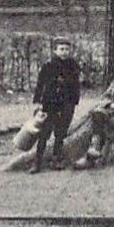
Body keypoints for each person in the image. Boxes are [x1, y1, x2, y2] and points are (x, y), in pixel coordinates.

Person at [30, 37, 81, 173]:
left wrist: (74, 102)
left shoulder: (73, 65)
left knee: (61, 133)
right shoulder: (48, 66)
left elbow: (76, 85)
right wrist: (38, 102)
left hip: (66, 103)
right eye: (61, 49)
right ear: (55, 50)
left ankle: (56, 159)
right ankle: (37, 161)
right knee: (44, 133)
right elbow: (40, 85)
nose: (64, 52)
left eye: (66, 49)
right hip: (50, 103)